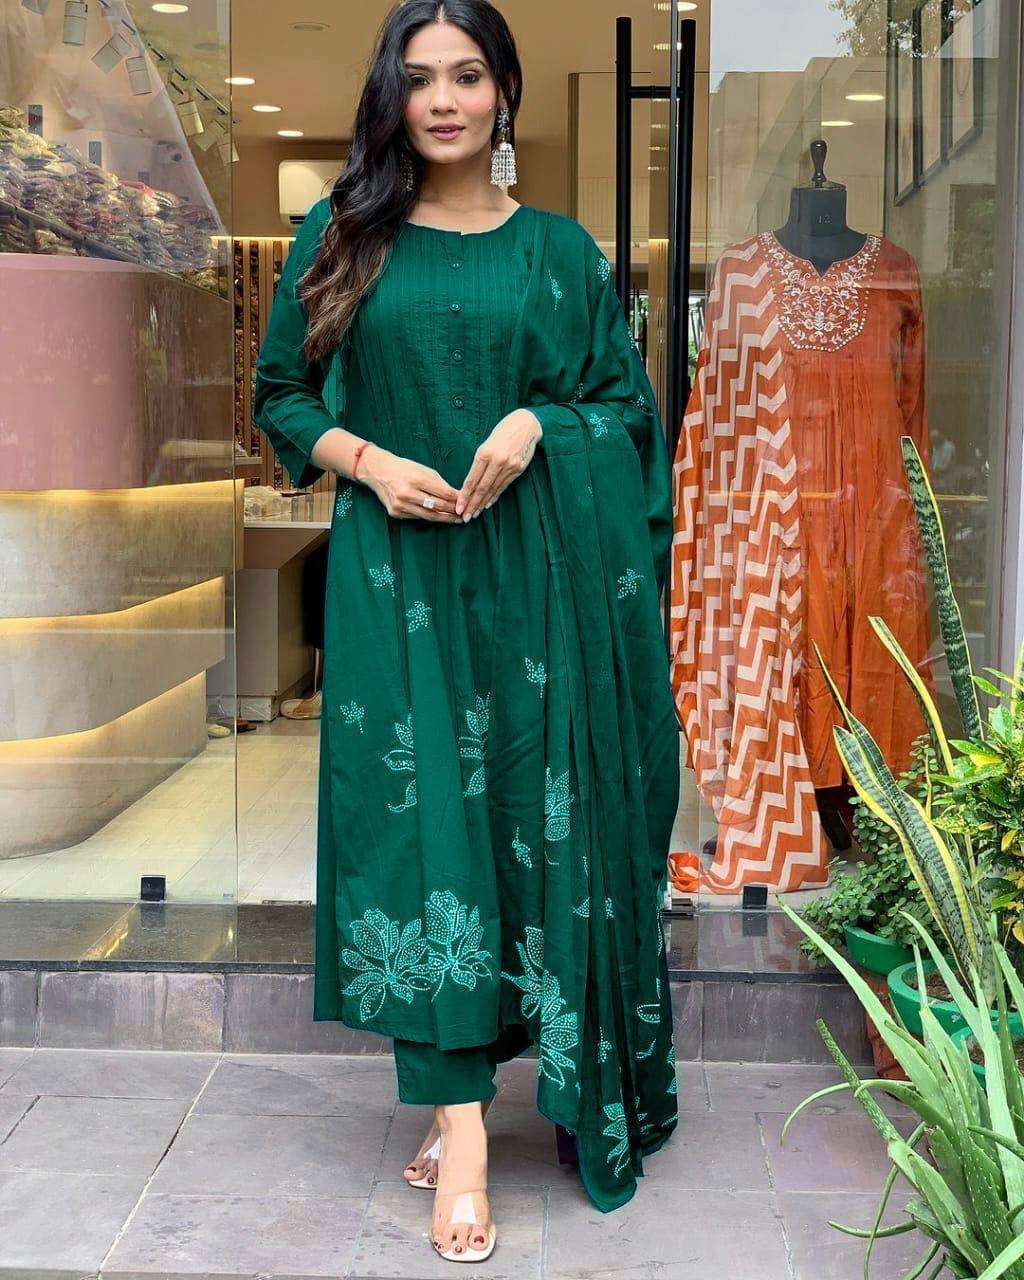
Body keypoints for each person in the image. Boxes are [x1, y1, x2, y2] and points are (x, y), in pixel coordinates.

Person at [252, 0, 680, 1262]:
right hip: (400, 585)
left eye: (468, 75)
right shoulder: (341, 238)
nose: (443, 98)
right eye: (420, 76)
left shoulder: (560, 252)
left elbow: (626, 411)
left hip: (541, 587)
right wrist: (369, 460)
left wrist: (542, 422)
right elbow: (281, 394)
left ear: (503, 95)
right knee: (424, 835)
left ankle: (499, 1090)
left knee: (527, 833)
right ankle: (464, 1127)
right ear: (391, 97)